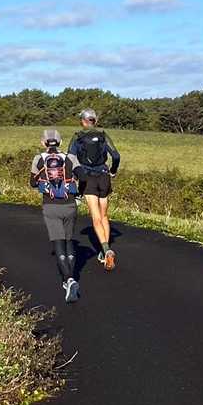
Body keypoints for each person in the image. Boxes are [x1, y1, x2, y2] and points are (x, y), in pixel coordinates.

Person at [30, 128, 82, 303]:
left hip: (50, 205)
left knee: (58, 242)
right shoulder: (71, 158)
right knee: (69, 241)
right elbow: (82, 176)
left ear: (43, 142)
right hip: (70, 204)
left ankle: (68, 279)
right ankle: (71, 278)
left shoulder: (38, 159)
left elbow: (32, 183)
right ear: (60, 142)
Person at [68, 108, 121, 269]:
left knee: (96, 218)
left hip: (87, 178)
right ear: (95, 120)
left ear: (83, 121)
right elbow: (116, 156)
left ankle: (106, 250)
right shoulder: (103, 135)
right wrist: (113, 171)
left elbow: (70, 158)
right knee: (104, 216)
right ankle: (104, 251)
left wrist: (74, 176)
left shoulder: (77, 136)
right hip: (104, 176)